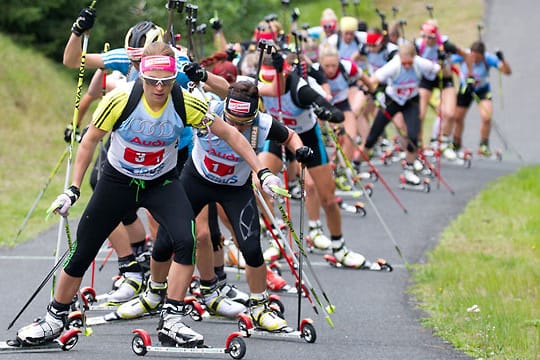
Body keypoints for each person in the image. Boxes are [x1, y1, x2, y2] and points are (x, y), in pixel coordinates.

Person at [16, 42, 281, 347]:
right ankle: (54, 319)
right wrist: (73, 190)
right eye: (152, 80)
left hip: (160, 183)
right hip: (118, 181)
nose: (158, 87)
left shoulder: (186, 103)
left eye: (165, 81)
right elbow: (89, 141)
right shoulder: (119, 100)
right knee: (84, 248)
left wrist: (262, 172)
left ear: (173, 79)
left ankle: (171, 319)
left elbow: (232, 133)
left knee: (186, 239)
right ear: (141, 75)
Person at [118, 80, 305, 331]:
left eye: (244, 123)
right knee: (164, 241)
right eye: (233, 121)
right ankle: (153, 295)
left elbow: (290, 136)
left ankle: (260, 307)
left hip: (235, 188)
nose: (237, 128)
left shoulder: (262, 123)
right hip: (196, 181)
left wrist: (301, 151)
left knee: (251, 248)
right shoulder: (208, 109)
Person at [258, 51, 368, 268]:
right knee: (258, 182)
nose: (267, 85)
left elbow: (336, 113)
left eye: (272, 80)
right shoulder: (260, 84)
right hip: (279, 137)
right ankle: (278, 238)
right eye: (264, 79)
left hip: (307, 140)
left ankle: (339, 247)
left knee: (327, 197)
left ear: (283, 75)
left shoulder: (300, 89)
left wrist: (326, 112)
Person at [360, 42, 441, 186]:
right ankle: (357, 163)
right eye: (404, 63)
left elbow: (438, 69)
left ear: (414, 58)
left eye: (409, 62)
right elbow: (373, 79)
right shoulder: (394, 65)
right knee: (374, 133)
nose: (407, 66)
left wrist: (442, 60)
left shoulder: (421, 63)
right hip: (392, 100)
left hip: (411, 101)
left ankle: (409, 169)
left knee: (413, 136)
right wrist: (370, 90)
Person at [415, 20, 470, 160]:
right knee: (419, 114)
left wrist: (468, 75)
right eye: (424, 36)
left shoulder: (445, 45)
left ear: (435, 36)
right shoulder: (418, 45)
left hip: (445, 80)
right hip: (427, 80)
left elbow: (465, 55)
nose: (427, 40)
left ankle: (443, 142)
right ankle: (419, 145)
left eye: (430, 37)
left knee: (450, 113)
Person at [451, 40, 511, 156]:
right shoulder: (464, 55)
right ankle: (456, 142)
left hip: (482, 90)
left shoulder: (488, 59)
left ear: (482, 55)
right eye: (472, 57)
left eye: (477, 58)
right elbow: (447, 62)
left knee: (486, 117)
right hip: (466, 89)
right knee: (458, 118)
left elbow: (507, 72)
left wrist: (502, 60)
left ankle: (484, 144)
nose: (474, 60)